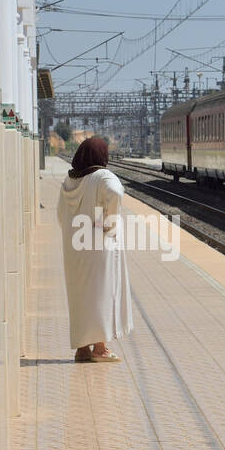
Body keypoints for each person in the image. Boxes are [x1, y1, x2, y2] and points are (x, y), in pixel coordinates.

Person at [56, 137, 133, 362]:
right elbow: (116, 193)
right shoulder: (103, 176)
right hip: (99, 249)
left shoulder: (69, 181)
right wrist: (107, 222)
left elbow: (61, 214)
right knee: (101, 293)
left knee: (79, 295)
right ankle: (100, 349)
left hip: (74, 248)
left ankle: (82, 349)